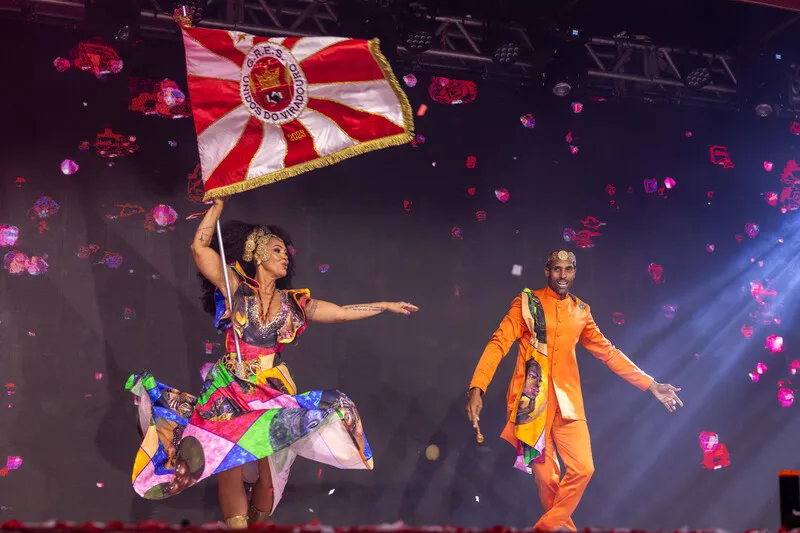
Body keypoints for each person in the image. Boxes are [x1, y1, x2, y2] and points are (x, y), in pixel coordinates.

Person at [126, 197, 418, 528]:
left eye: (285, 253)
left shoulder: (294, 304)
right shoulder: (236, 288)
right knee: (228, 463)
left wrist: (384, 304)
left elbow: (339, 312)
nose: (285, 258)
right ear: (258, 254)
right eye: (277, 250)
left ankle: (258, 523)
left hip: (269, 391)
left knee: (270, 472)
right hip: (228, 388)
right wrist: (218, 206)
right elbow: (199, 247)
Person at [464, 250, 682, 531]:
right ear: (547, 271)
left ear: (575, 272)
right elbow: (498, 344)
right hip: (532, 405)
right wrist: (478, 386)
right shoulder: (527, 304)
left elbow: (609, 353)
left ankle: (543, 529)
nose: (563, 275)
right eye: (557, 269)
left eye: (568, 269)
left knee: (584, 469)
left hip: (569, 405)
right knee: (546, 480)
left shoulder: (581, 311)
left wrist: (650, 383)